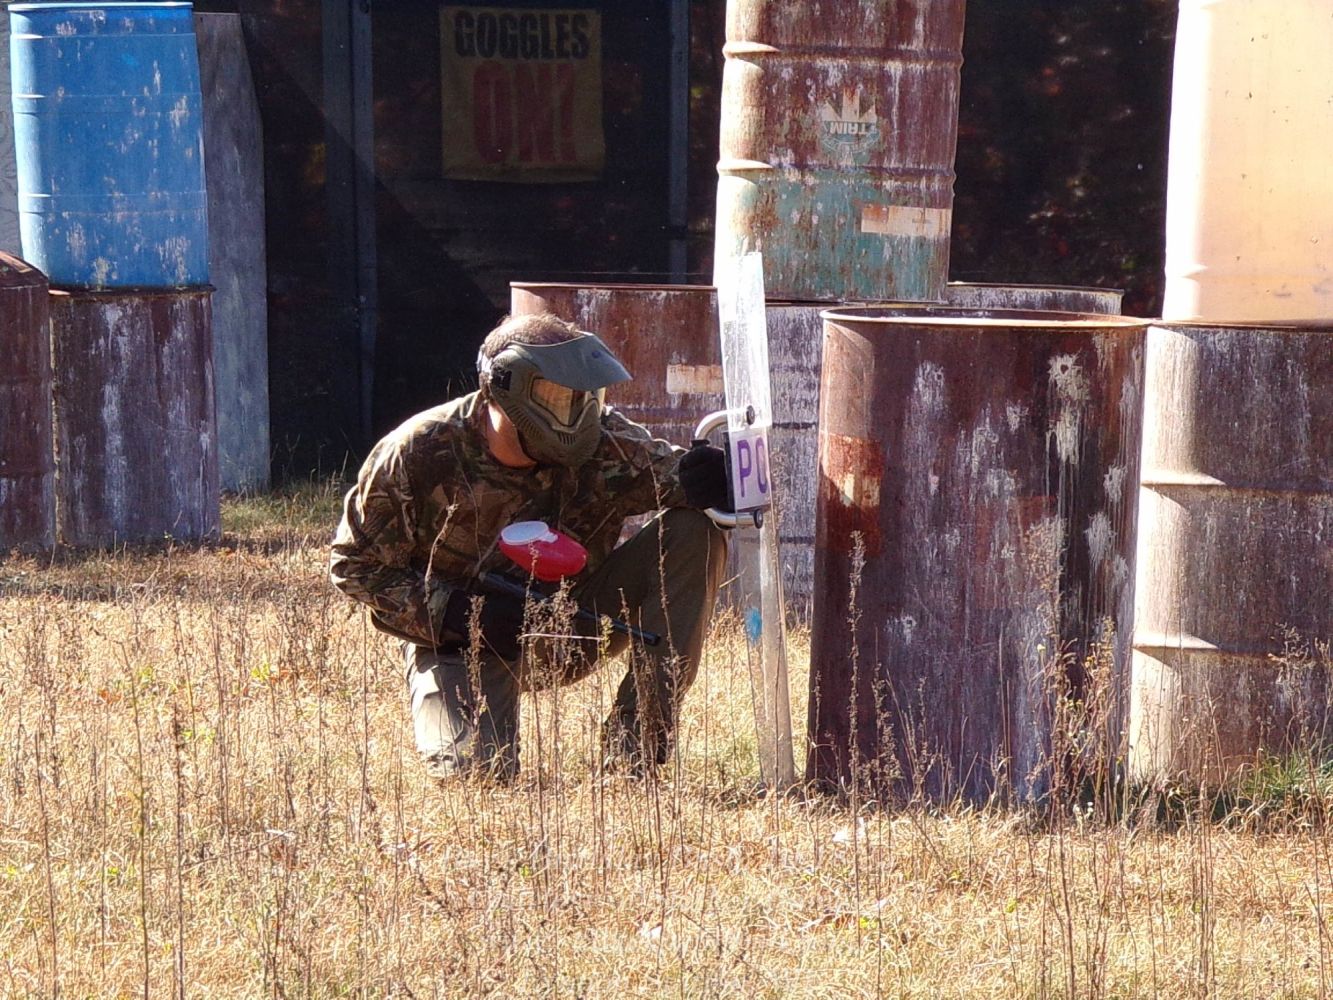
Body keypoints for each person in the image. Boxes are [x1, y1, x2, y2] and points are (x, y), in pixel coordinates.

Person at [330, 313, 731, 780]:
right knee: (477, 777)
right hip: (464, 643)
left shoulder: (605, 441)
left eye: (587, 397)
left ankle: (634, 749)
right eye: (559, 398)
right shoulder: (419, 451)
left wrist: (713, 477)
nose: (578, 414)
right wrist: (456, 613)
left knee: (694, 531)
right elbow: (355, 566)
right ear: (506, 390)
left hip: (577, 622)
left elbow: (682, 480)